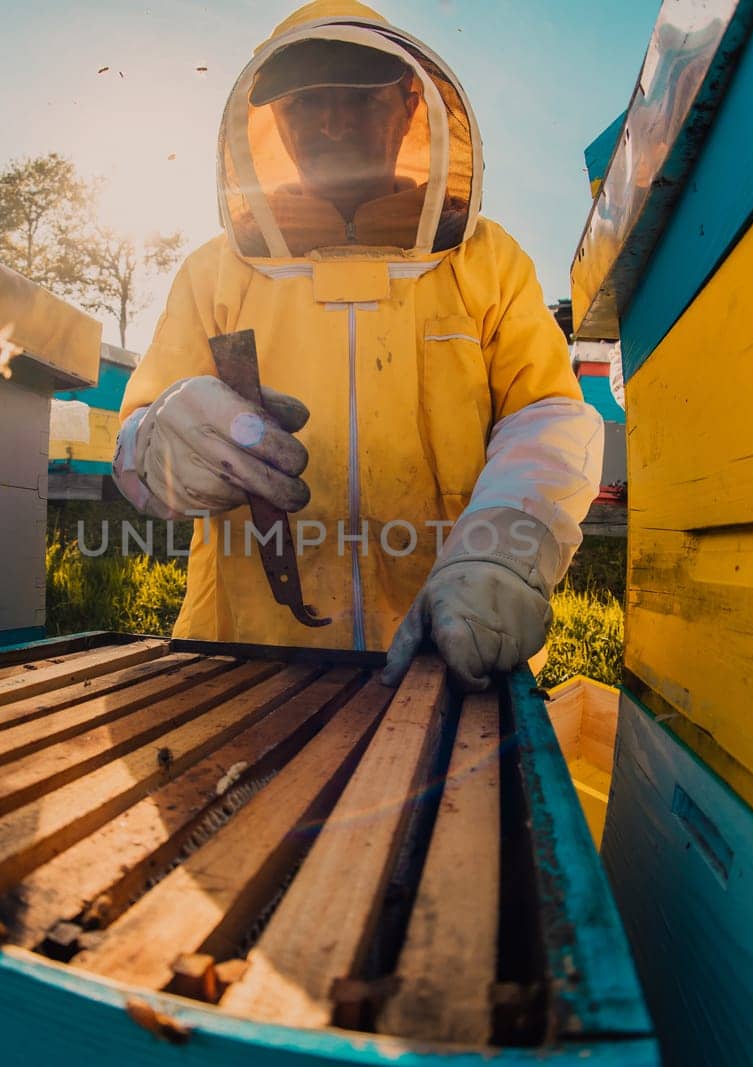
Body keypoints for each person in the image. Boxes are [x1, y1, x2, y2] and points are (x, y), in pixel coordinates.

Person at [112, 0, 603, 691]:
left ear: (410, 108)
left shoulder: (486, 261)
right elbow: (133, 442)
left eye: (359, 100)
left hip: (453, 661)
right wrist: (163, 441)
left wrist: (500, 549)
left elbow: (545, 418)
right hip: (243, 664)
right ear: (273, 123)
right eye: (306, 105)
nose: (333, 122)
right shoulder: (214, 272)